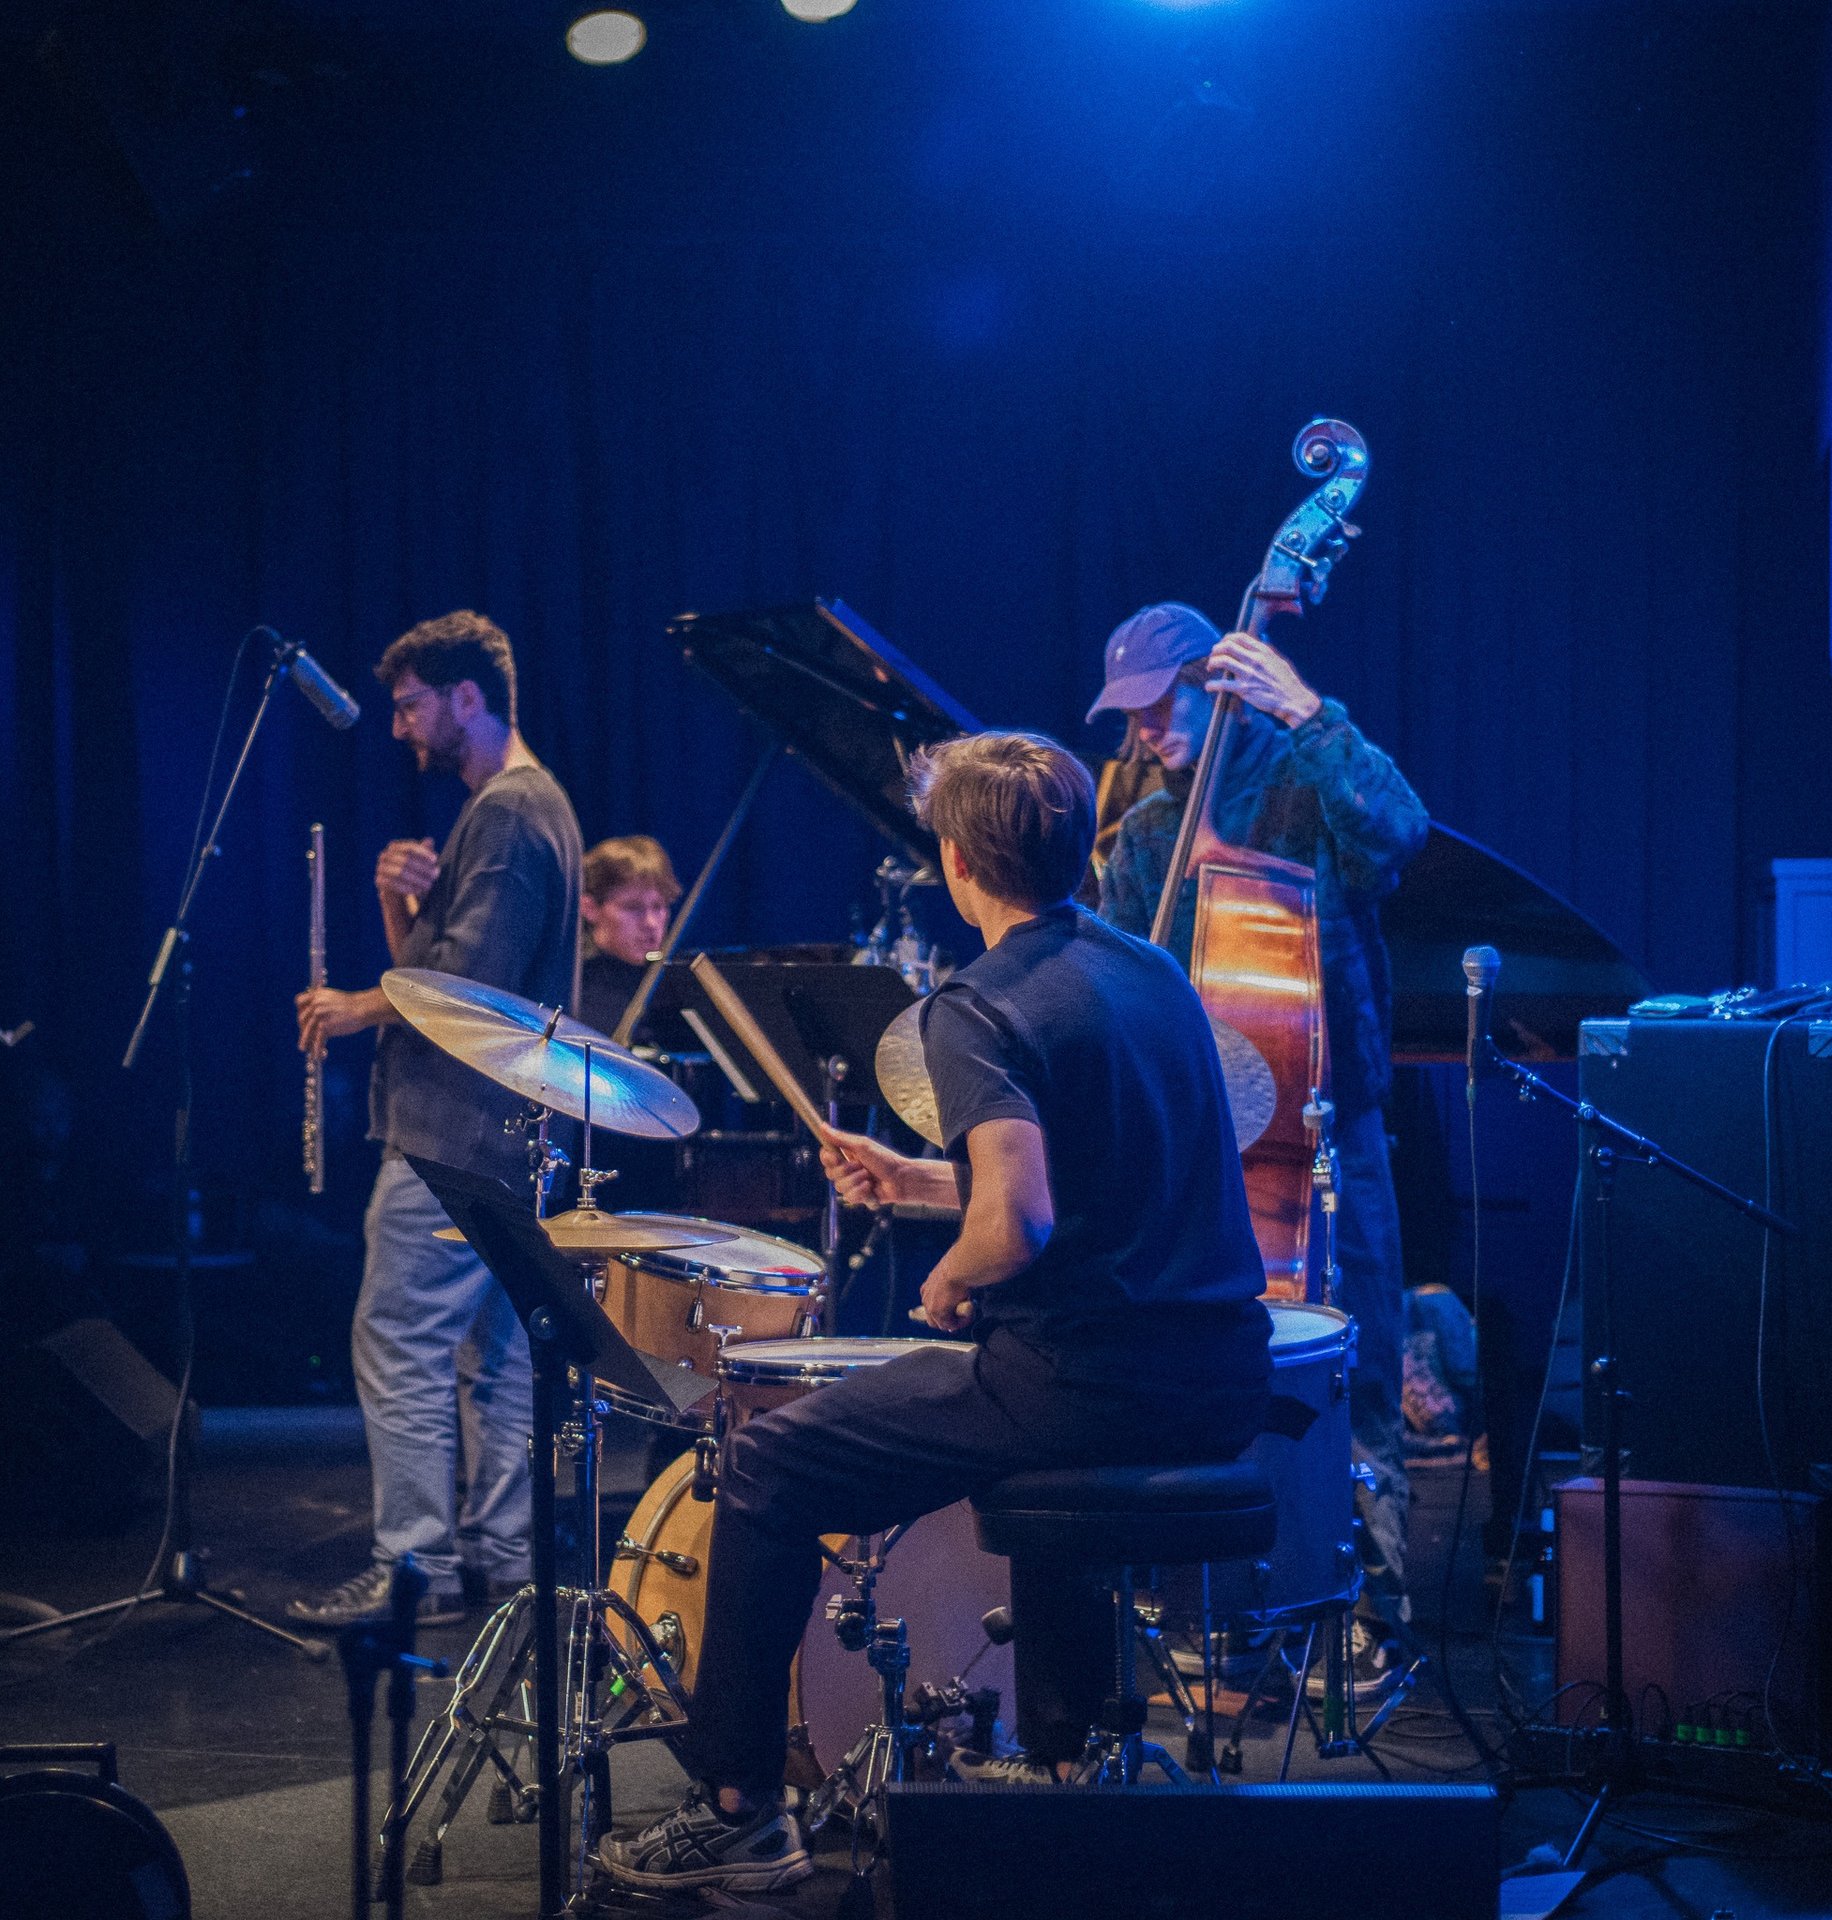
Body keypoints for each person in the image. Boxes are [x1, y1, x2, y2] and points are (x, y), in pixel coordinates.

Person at [596, 731, 1270, 1896]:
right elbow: (1095, 1185)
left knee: (763, 1468)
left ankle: (739, 1810)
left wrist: (953, 1277)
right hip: (1216, 1374)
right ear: (1082, 852)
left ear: (957, 863)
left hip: (1085, 1384)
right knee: (1006, 1399)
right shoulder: (1149, 971)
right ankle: (1065, 1763)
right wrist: (916, 1184)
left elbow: (1022, 1225)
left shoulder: (979, 1005)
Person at [1089, 600, 1429, 1690]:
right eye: (1129, 716)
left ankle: (1363, 1602)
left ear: (1217, 682)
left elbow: (1400, 833)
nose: (1144, 732)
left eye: (1159, 705)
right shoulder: (1146, 839)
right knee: (1209, 1372)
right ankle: (1216, 1602)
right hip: (1210, 1154)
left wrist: (1307, 706)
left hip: (1335, 1131)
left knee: (1357, 1363)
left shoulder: (1305, 779)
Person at [287, 611, 583, 1628]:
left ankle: (413, 1565)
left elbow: (469, 990)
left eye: (412, 705)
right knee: (491, 1355)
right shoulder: (529, 807)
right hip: (507, 1134)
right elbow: (448, 967)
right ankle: (499, 1559)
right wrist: (392, 909)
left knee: (400, 1336)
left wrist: (356, 1003)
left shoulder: (503, 813)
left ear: (467, 696)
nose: (401, 729)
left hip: (451, 1134)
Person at [575, 833, 683, 1040]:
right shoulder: (572, 981)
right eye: (633, 907)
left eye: (658, 906)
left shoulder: (675, 987)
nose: (651, 923)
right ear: (589, 908)